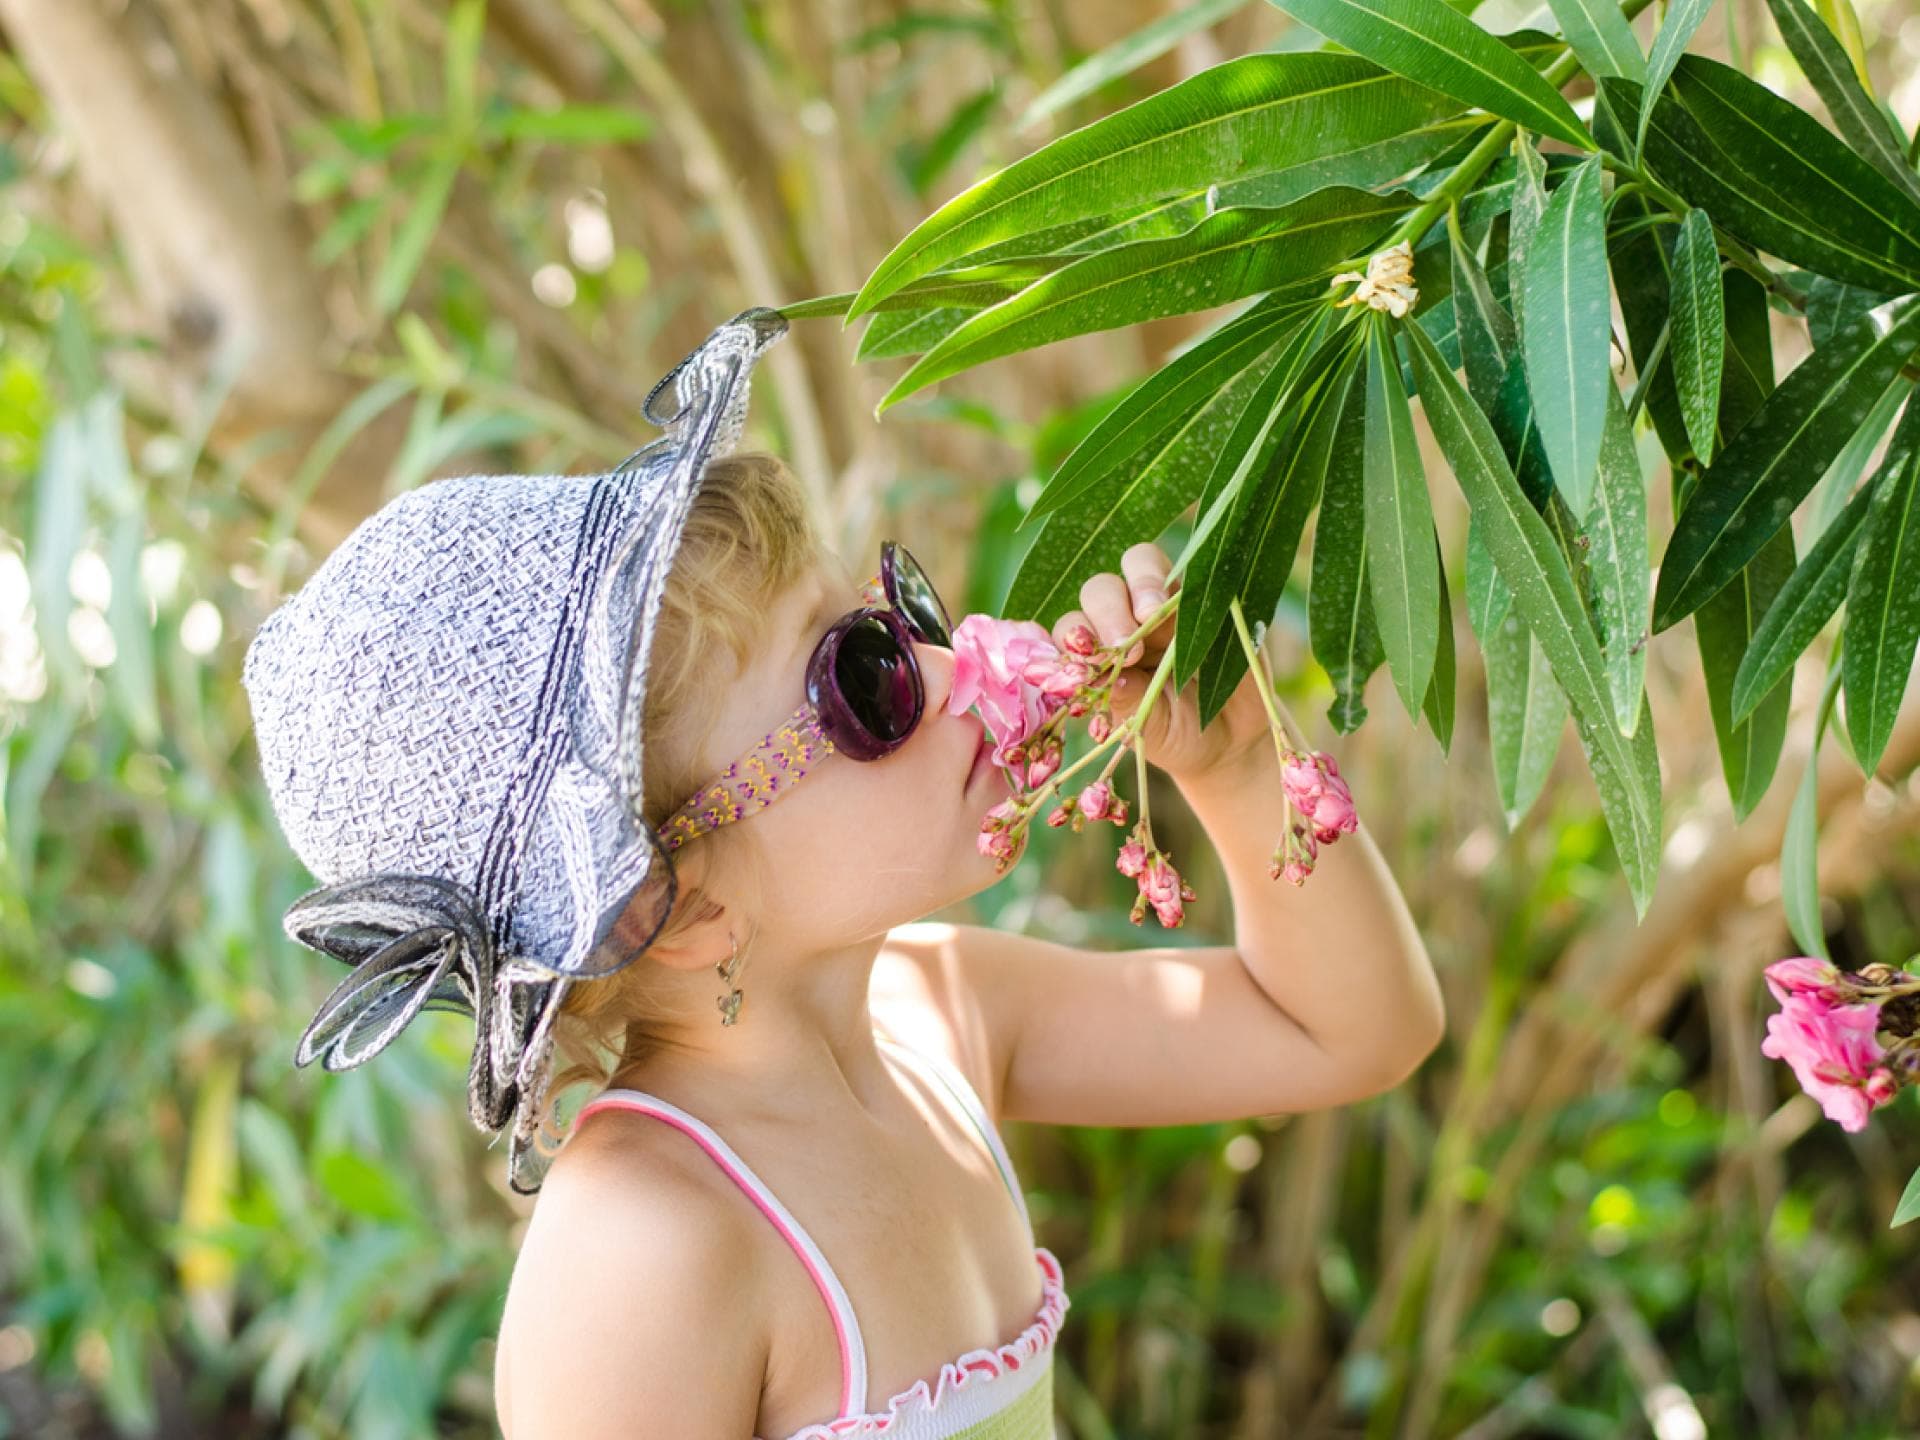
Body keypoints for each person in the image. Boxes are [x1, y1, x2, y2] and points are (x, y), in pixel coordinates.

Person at [242, 307, 1443, 1440]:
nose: (939, 649)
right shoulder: (648, 1241)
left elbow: (1347, 1033)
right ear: (684, 905)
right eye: (864, 675)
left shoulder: (944, 1013)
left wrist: (1235, 771)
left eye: (890, 607)